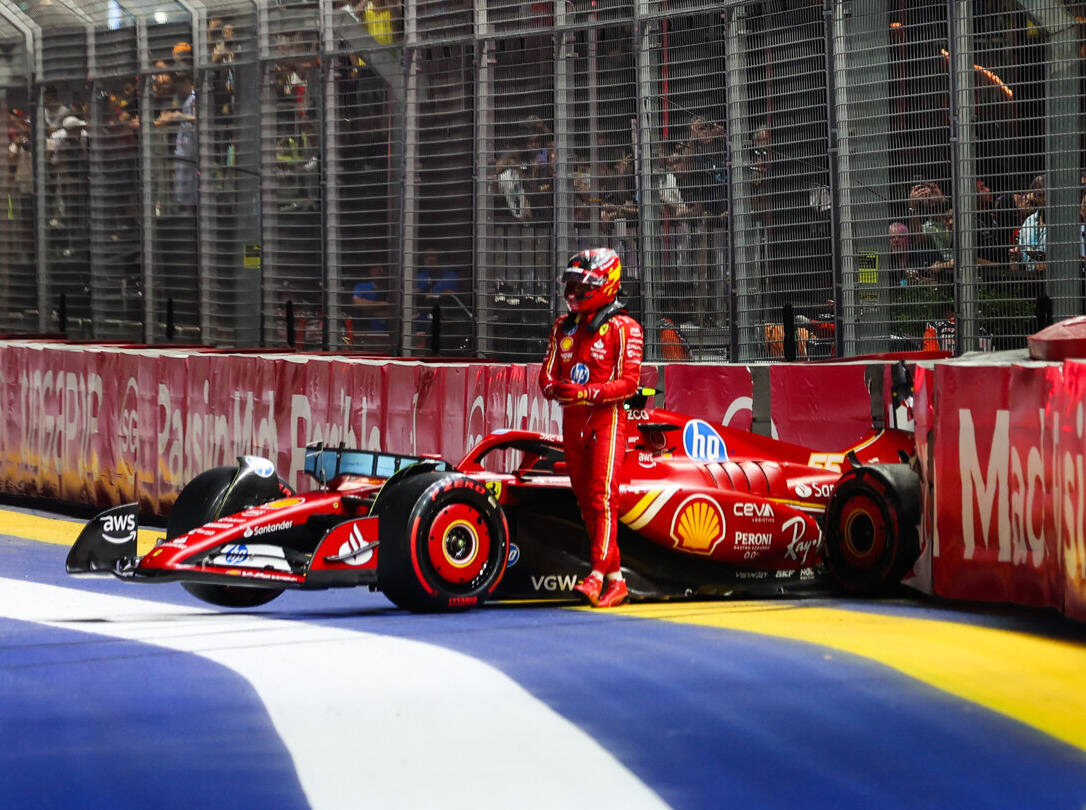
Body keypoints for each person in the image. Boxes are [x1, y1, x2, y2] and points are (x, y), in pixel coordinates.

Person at [539, 248, 643, 608]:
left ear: (606, 284)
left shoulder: (625, 328)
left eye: (581, 285)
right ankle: (617, 581)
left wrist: (586, 393)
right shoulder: (561, 327)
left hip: (608, 420)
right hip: (572, 421)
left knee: (603, 499)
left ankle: (596, 575)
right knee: (587, 503)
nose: (572, 292)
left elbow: (629, 385)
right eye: (571, 283)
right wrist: (558, 391)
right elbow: (546, 379)